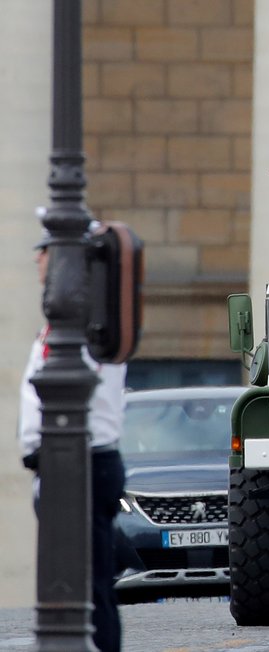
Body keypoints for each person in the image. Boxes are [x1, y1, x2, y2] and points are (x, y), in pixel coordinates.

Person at [18, 225, 127, 652]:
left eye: (44, 251)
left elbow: (77, 388)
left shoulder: (87, 316)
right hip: (61, 460)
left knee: (89, 583)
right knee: (73, 582)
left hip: (81, 459)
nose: (37, 260)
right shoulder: (67, 314)